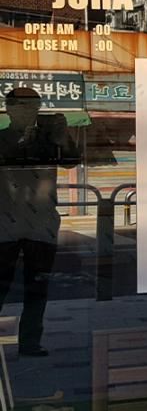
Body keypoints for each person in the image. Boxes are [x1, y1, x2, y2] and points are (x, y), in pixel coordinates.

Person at [0, 87, 82, 356]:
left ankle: (30, 342)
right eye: (23, 106)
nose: (30, 111)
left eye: (34, 106)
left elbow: (72, 161)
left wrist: (63, 136)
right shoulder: (2, 139)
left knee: (38, 287)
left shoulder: (49, 139)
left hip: (41, 223)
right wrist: (24, 141)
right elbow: (12, 158)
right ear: (9, 109)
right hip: (5, 224)